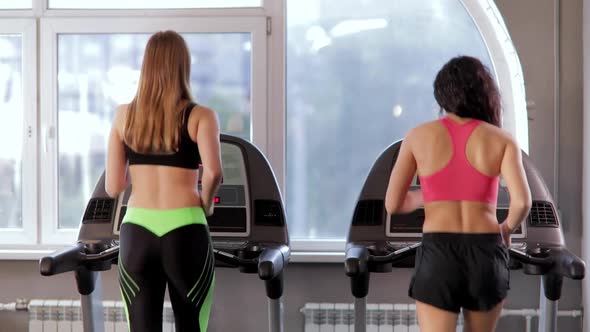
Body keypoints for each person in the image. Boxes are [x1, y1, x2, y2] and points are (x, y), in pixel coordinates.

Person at [384, 55, 531, 332]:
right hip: (487, 251)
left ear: (442, 96)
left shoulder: (418, 136)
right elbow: (522, 202)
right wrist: (507, 230)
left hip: (439, 254)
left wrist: (430, 195)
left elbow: (393, 204)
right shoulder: (502, 139)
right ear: (485, 94)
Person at [105, 30, 222, 332]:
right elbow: (214, 173)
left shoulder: (123, 117)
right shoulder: (201, 116)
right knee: (191, 326)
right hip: (185, 228)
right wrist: (206, 204)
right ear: (184, 66)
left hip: (137, 232)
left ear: (147, 66)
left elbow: (114, 186)